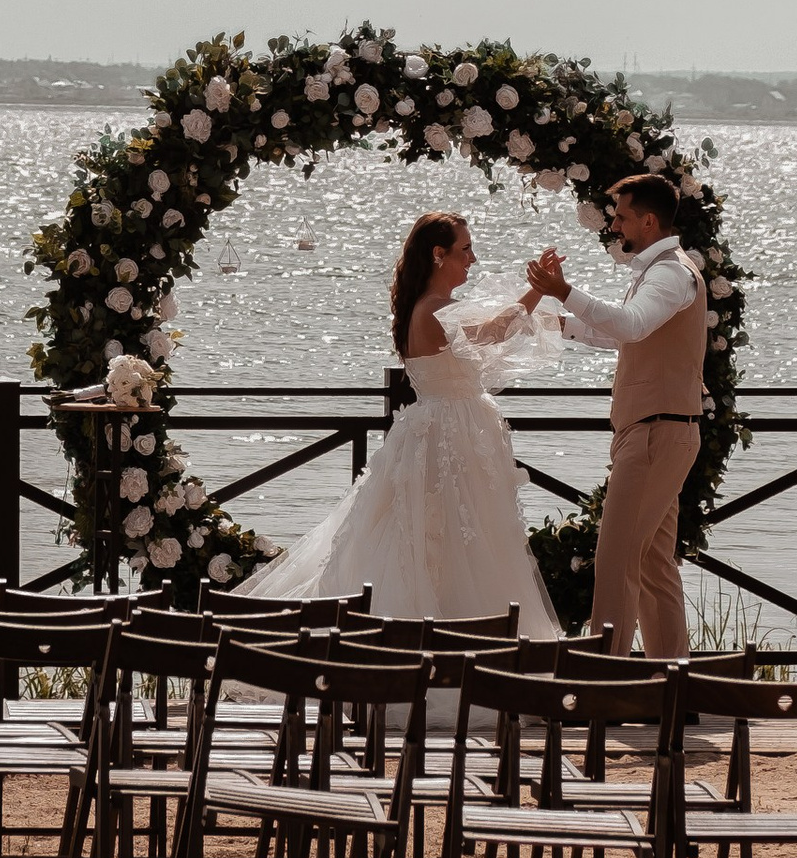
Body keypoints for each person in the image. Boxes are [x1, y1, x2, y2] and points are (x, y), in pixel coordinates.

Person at [231, 211, 563, 630]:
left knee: (453, 537)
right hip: (447, 438)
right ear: (438, 254)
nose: (472, 259)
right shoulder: (433, 311)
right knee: (444, 539)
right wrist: (537, 289)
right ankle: (450, 638)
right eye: (465, 249)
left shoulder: (430, 307)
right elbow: (495, 331)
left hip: (443, 432)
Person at [526, 173, 702, 660]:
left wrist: (565, 291)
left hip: (654, 435)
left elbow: (630, 324)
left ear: (648, 220)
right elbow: (625, 335)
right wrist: (563, 324)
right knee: (651, 565)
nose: (616, 226)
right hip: (659, 432)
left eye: (622, 217)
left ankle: (604, 682)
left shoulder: (669, 272)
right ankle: (671, 686)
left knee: (617, 559)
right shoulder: (661, 271)